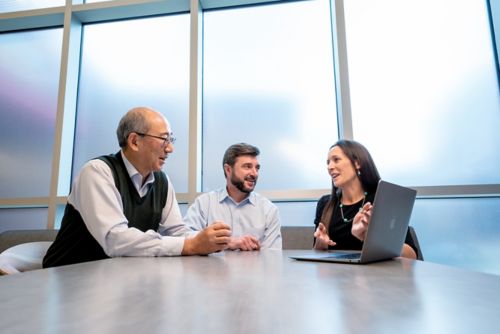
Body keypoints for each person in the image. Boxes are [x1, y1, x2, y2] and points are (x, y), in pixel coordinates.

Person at [43, 107, 231, 268]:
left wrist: (211, 240)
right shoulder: (98, 172)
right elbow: (115, 240)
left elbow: (177, 232)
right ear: (134, 141)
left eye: (171, 140)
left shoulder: (161, 181)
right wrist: (190, 245)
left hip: (115, 278)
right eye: (164, 139)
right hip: (69, 278)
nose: (170, 149)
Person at [313, 139, 417, 259]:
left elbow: (412, 255)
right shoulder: (325, 204)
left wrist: (370, 237)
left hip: (378, 276)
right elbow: (315, 255)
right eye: (328, 162)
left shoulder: (382, 199)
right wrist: (320, 244)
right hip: (336, 276)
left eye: (336, 160)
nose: (330, 167)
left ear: (357, 163)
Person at [183, 143, 282, 251]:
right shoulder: (204, 204)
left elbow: (272, 257)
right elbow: (184, 237)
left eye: (257, 168)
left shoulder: (269, 211)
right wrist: (227, 242)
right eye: (247, 166)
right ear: (228, 170)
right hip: (212, 268)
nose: (255, 173)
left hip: (253, 268)